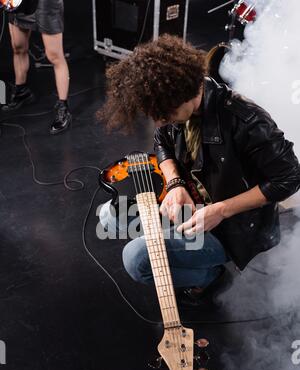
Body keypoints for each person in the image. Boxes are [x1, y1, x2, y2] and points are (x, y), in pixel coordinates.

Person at [98, 35, 300, 307]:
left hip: (230, 227)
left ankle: (210, 276)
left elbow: (290, 178)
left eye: (165, 113)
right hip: (191, 205)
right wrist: (174, 182)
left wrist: (220, 210)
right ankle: (175, 244)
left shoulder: (246, 119)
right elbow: (163, 141)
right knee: (108, 219)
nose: (161, 120)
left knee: (136, 259)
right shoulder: (177, 103)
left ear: (184, 92)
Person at [2, 0, 71, 134]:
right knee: (18, 47)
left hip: (45, 3)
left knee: (54, 55)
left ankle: (63, 107)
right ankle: (21, 92)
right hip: (19, 3)